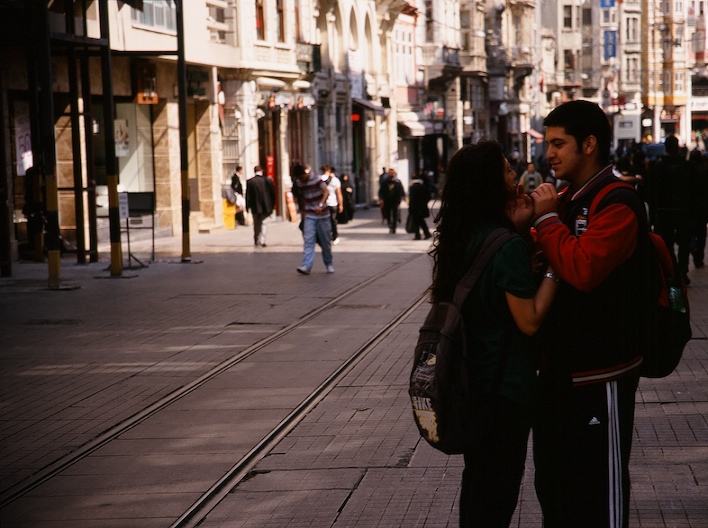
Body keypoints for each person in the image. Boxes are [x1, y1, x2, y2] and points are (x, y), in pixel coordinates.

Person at [530, 100, 654, 528]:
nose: (549, 154)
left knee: (597, 490)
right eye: (547, 144)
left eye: (558, 143)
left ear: (589, 144)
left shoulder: (617, 202)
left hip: (602, 373)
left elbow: (582, 269)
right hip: (558, 373)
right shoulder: (567, 199)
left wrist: (546, 222)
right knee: (554, 487)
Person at [430, 140, 558, 527]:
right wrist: (555, 265)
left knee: (479, 490)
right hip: (504, 394)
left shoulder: (463, 235)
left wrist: (517, 232)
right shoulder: (506, 248)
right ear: (490, 183)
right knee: (495, 497)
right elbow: (530, 320)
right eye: (506, 169)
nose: (515, 175)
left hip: (471, 385)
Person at [646, 135, 697, 284]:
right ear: (678, 147)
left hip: (664, 211)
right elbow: (693, 190)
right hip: (683, 211)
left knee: (666, 244)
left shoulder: (658, 167)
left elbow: (652, 192)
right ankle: (682, 270)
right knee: (683, 243)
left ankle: (672, 271)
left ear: (666, 148)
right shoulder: (686, 166)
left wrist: (653, 212)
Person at [292, 163, 333, 274]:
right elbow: (302, 197)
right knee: (308, 240)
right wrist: (303, 214)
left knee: (325, 242)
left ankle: (329, 263)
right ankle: (306, 266)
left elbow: (326, 192)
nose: (301, 179)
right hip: (310, 214)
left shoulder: (317, 179)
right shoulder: (299, 182)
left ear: (305, 174)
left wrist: (320, 205)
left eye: (301, 177)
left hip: (323, 215)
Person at [246, 165, 275, 247]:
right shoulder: (267, 180)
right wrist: (272, 206)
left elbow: (248, 196)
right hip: (266, 207)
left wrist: (247, 207)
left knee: (256, 224)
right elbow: (272, 194)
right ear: (261, 171)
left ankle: (256, 239)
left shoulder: (250, 182)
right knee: (264, 223)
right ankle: (262, 240)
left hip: (255, 206)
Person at [320, 164, 343, 244]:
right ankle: (335, 237)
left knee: (323, 221)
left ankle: (324, 236)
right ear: (329, 170)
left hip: (323, 204)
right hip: (333, 203)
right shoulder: (335, 180)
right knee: (333, 221)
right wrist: (340, 205)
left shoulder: (319, 179)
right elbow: (339, 193)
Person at [378, 168, 406, 233]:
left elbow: (401, 190)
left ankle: (394, 227)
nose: (391, 174)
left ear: (394, 174)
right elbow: (380, 192)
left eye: (392, 173)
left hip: (395, 201)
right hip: (387, 200)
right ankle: (390, 225)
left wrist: (403, 197)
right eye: (390, 173)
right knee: (388, 214)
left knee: (395, 214)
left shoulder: (398, 182)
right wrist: (381, 199)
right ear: (388, 174)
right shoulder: (384, 182)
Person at [407, 174, 432, 240]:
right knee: (421, 221)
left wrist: (410, 207)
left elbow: (411, 199)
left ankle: (418, 235)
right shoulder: (424, 187)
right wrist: (424, 203)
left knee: (417, 222)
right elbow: (429, 197)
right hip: (423, 207)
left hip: (415, 208)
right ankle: (426, 234)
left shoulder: (412, 188)